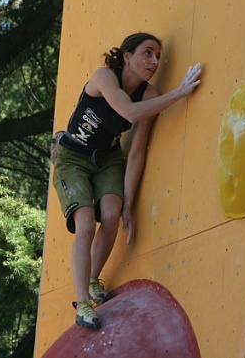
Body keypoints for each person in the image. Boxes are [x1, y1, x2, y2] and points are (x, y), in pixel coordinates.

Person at [52, 32, 202, 329]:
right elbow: (129, 113)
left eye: (158, 56)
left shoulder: (149, 96)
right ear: (127, 56)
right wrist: (179, 93)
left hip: (108, 158)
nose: (154, 61)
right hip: (72, 158)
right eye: (147, 53)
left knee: (111, 215)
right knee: (85, 223)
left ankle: (93, 280)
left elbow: (136, 152)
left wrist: (129, 203)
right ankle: (82, 304)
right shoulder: (104, 77)